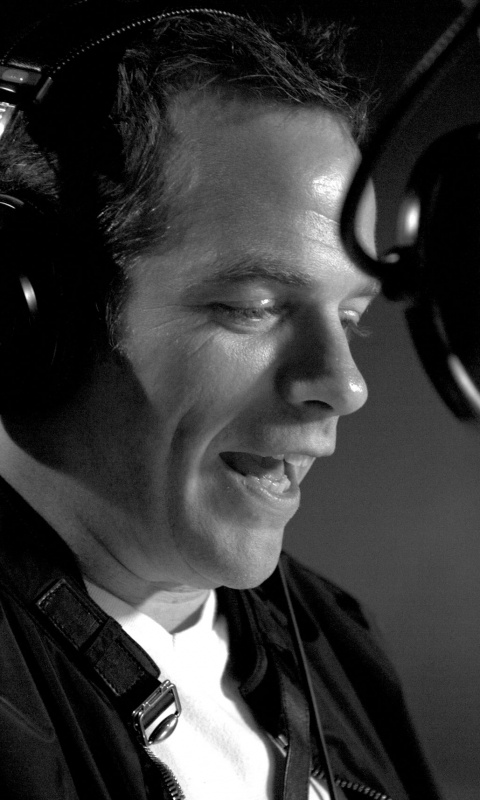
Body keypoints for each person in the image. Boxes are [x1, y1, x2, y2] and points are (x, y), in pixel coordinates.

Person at [0, 3, 441, 799]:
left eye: (351, 319)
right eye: (253, 308)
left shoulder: (334, 640)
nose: (345, 385)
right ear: (29, 316)